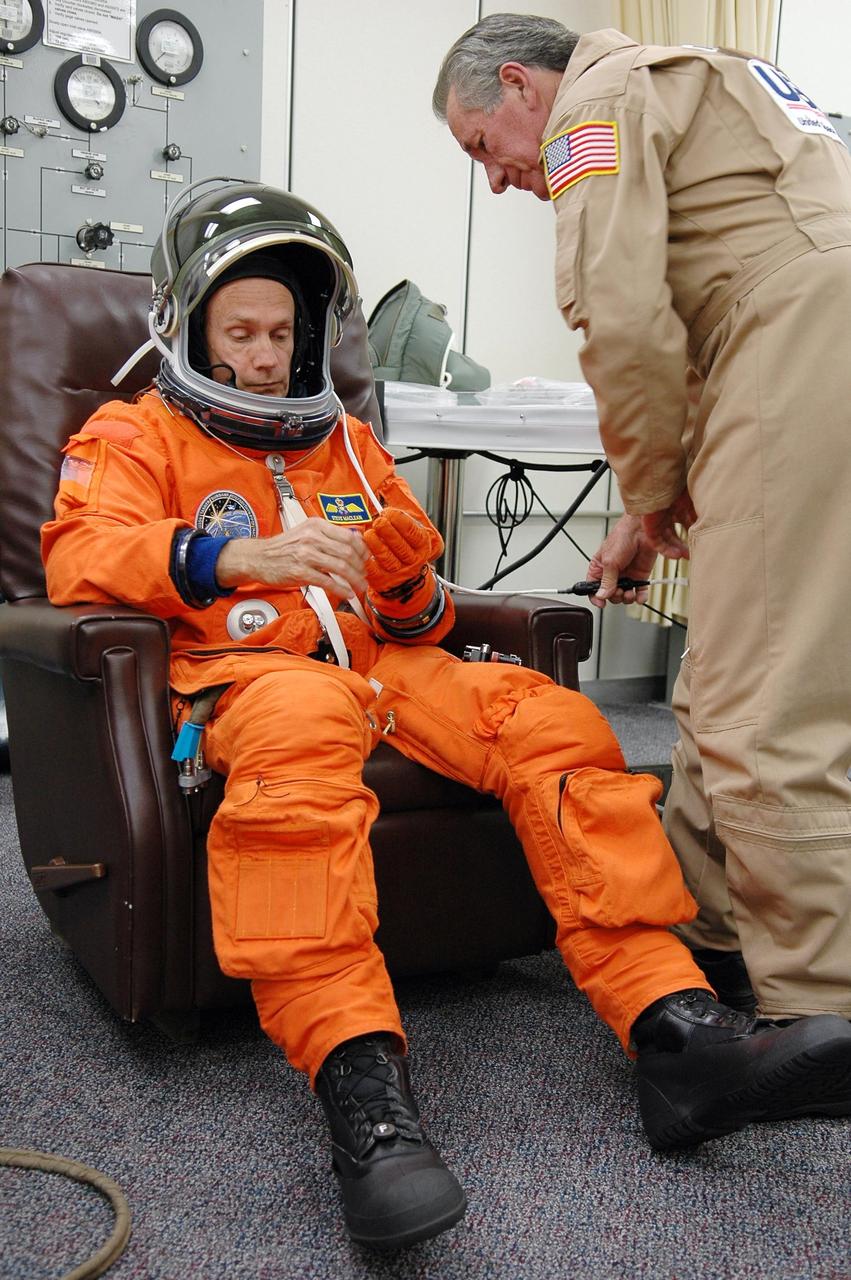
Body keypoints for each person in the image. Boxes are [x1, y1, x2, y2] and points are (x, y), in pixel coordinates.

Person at [42, 179, 851, 1252]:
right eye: (238, 330)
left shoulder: (347, 447)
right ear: (189, 327)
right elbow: (77, 557)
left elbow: (423, 611)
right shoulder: (132, 432)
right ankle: (362, 1089)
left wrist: (402, 575)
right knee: (297, 744)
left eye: (283, 330)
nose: (265, 353)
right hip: (249, 675)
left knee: (554, 724)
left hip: (383, 668)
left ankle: (674, 1029)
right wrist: (233, 551)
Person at [434, 14, 851, 1030]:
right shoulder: (706, 76)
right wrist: (644, 498)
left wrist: (653, 482)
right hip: (799, 348)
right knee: (728, 668)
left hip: (797, 350)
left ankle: (819, 1009)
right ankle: (716, 940)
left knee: (764, 704)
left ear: (522, 88)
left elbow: (622, 317)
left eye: (481, 146)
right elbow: (716, 310)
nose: (493, 180)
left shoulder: (595, 109)